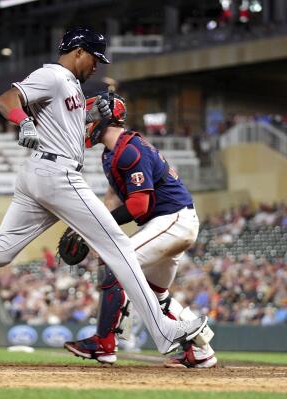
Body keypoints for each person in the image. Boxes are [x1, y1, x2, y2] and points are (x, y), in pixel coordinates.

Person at [0, 27, 207, 355]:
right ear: (78, 51)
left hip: (40, 172)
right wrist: (23, 121)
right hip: (55, 173)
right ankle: (163, 332)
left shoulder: (71, 85)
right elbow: (8, 100)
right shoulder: (53, 75)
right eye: (94, 57)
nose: (97, 65)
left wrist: (92, 113)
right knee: (119, 248)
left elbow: (71, 129)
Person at [62, 91, 217, 368]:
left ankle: (104, 343)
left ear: (105, 119)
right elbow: (114, 200)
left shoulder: (130, 149)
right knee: (159, 298)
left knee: (116, 264)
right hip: (171, 223)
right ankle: (202, 352)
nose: (85, 124)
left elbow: (138, 206)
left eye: (90, 118)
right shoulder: (113, 153)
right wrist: (93, 226)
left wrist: (98, 229)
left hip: (172, 220)